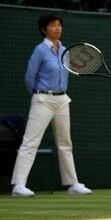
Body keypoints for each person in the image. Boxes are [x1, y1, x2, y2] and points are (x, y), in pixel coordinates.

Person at [11, 13, 92, 196]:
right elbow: (29, 78)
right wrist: (40, 95)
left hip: (63, 100)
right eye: (53, 25)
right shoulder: (39, 50)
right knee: (30, 142)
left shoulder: (66, 51)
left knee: (65, 143)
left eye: (59, 25)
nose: (58, 28)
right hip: (43, 99)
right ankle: (18, 186)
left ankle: (73, 184)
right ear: (43, 29)